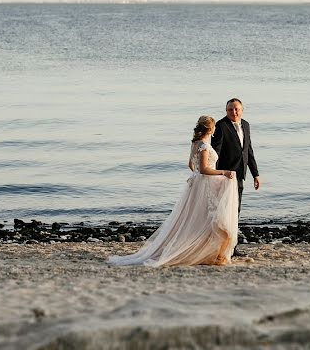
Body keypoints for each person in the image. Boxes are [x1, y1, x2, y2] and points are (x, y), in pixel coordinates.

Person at [107, 115, 239, 267]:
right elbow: (203, 169)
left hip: (197, 185)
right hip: (204, 186)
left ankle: (208, 252)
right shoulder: (203, 145)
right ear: (210, 129)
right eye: (214, 127)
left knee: (195, 218)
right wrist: (223, 173)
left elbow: (191, 165)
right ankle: (205, 252)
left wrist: (198, 177)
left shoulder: (195, 143)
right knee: (205, 219)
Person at [211, 98, 260, 257]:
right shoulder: (221, 126)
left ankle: (232, 247)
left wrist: (255, 174)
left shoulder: (246, 124)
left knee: (236, 211)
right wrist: (213, 173)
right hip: (225, 175)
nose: (234, 112)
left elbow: (248, 150)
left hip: (240, 175)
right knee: (224, 212)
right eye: (230, 110)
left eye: (237, 109)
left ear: (242, 110)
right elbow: (215, 152)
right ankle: (221, 246)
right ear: (226, 111)